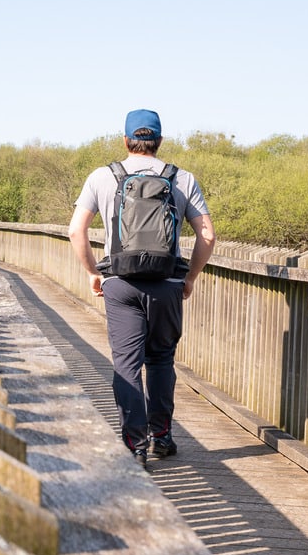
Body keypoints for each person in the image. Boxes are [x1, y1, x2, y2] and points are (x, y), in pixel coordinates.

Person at [67, 109, 215, 465]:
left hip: (120, 282)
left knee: (126, 364)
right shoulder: (182, 179)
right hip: (167, 284)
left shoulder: (104, 176)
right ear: (160, 141)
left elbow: (76, 231)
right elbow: (207, 235)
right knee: (161, 360)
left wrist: (92, 272)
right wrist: (190, 277)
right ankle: (161, 436)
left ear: (125, 140)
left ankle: (135, 445)